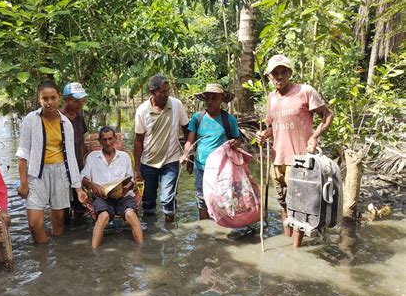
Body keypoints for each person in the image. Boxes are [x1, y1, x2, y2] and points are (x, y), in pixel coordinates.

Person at [256, 54, 333, 248]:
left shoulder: (304, 91)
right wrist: (264, 135)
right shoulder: (272, 98)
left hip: (299, 161)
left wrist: (314, 137)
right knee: (283, 202)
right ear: (269, 77)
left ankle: (294, 252)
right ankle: (287, 239)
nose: (279, 76)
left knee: (298, 207)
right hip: (277, 160)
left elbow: (327, 115)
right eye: (275, 73)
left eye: (283, 72)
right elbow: (272, 127)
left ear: (290, 73)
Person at [16, 80, 87, 244]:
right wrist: (23, 183)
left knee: (59, 220)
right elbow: (23, 152)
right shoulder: (30, 120)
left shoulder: (65, 123)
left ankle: (57, 257)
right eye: (45, 98)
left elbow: (70, 158)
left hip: (60, 173)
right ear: (39, 99)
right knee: (34, 224)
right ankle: (43, 260)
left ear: (59, 98)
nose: (49, 102)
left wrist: (78, 188)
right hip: (36, 173)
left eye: (53, 98)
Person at [180, 84, 241, 220]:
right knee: (201, 199)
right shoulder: (198, 118)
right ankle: (205, 228)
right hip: (201, 166)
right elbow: (190, 141)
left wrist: (235, 143)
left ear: (221, 100)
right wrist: (186, 155)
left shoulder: (228, 119)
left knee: (222, 199)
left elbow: (237, 139)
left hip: (222, 168)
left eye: (214, 98)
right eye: (208, 98)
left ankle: (221, 227)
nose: (210, 101)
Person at [133, 74, 189, 222]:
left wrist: (188, 154)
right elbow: (138, 140)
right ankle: (151, 236)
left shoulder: (176, 105)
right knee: (148, 203)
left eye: (167, 91)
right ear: (152, 92)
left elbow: (187, 130)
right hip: (148, 163)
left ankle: (171, 234)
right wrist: (137, 168)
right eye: (162, 92)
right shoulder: (142, 110)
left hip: (171, 160)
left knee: (168, 201)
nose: (166, 95)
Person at [81, 126, 143, 248]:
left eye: (110, 139)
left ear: (115, 139)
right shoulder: (92, 157)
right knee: (103, 216)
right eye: (104, 139)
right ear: (100, 141)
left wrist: (128, 187)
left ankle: (142, 251)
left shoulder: (124, 157)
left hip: (123, 195)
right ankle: (94, 253)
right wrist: (92, 185)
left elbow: (131, 178)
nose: (108, 142)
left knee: (131, 215)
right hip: (102, 197)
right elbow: (82, 177)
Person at [61, 82, 89, 223]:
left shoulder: (79, 116)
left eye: (81, 101)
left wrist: (88, 162)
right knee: (63, 209)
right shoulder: (59, 119)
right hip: (62, 171)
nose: (80, 104)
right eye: (75, 101)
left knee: (81, 207)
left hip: (79, 168)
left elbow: (82, 141)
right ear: (65, 100)